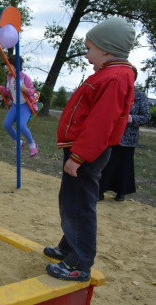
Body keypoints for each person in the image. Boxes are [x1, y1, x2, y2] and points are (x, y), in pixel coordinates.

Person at [44, 17, 136, 282]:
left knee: (80, 204)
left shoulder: (115, 77)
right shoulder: (109, 74)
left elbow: (101, 124)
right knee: (71, 201)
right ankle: (69, 247)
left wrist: (78, 157)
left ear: (106, 48)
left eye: (89, 49)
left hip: (86, 152)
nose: (86, 55)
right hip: (81, 150)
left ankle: (80, 263)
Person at [98, 67, 151, 202]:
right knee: (105, 164)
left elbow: (146, 116)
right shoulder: (114, 91)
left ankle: (121, 192)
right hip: (110, 135)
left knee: (124, 166)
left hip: (128, 139)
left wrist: (130, 119)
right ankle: (100, 191)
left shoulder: (140, 96)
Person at [0, 55, 38, 157]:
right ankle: (19, 142)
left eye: (8, 65)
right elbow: (8, 91)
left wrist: (26, 90)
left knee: (21, 125)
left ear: (16, 66)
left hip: (25, 105)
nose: (6, 68)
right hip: (15, 105)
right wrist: (0, 87)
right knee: (6, 124)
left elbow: (32, 92)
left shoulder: (24, 78)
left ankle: (32, 144)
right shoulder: (9, 77)